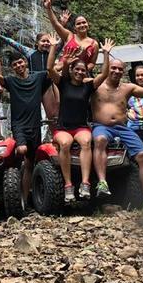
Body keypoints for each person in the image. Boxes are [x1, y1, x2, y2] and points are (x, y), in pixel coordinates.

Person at [90, 57, 143, 205]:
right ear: (106, 68)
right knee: (100, 140)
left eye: (120, 69)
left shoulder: (127, 88)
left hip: (122, 127)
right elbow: (72, 82)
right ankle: (102, 182)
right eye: (113, 68)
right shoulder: (95, 85)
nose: (116, 71)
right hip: (101, 126)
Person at [47, 38, 114, 203]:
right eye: (76, 69)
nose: (79, 72)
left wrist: (106, 53)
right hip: (63, 128)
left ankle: (85, 183)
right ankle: (68, 185)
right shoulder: (63, 83)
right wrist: (54, 48)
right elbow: (49, 68)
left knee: (86, 141)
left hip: (80, 127)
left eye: (83, 70)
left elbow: (104, 74)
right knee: (64, 144)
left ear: (86, 72)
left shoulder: (88, 86)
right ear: (71, 70)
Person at [0, 52, 51, 204]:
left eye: (20, 63)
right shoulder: (11, 81)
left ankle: (24, 200)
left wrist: (56, 50)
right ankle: (11, 166)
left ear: (25, 62)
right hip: (19, 125)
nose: (18, 66)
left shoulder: (38, 78)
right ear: (12, 68)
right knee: (22, 150)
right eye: (15, 65)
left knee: (31, 163)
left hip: (35, 125)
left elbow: (53, 70)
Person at [0, 30, 61, 122]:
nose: (46, 43)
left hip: (48, 85)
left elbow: (63, 40)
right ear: (37, 42)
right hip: (33, 85)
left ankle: (55, 134)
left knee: (52, 115)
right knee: (31, 114)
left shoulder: (52, 53)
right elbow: (14, 44)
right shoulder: (30, 53)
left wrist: (62, 25)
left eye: (48, 41)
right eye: (43, 41)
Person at [43, 0, 98, 71]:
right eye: (78, 24)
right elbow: (55, 24)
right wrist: (48, 8)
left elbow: (92, 63)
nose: (82, 25)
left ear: (88, 25)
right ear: (75, 28)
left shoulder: (94, 44)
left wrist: (82, 70)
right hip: (62, 71)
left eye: (84, 22)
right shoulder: (69, 36)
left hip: (80, 74)